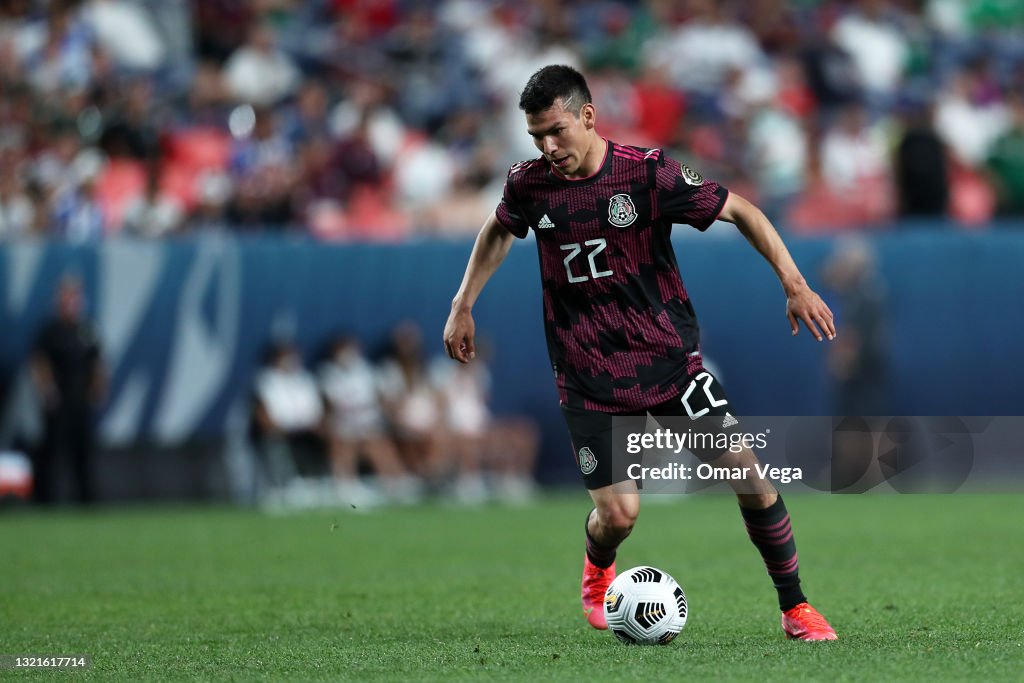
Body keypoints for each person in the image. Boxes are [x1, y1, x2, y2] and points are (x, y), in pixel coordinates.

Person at [443, 65, 838, 641]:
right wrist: (463, 303)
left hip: (669, 362)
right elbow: (500, 230)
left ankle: (796, 608)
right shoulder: (528, 184)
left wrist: (794, 282)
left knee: (749, 476)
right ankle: (598, 569)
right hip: (587, 373)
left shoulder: (648, 175)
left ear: (587, 116)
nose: (548, 148)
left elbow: (743, 211)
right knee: (619, 515)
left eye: (556, 131)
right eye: (536, 138)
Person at [30, 275, 106, 504]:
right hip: (58, 401)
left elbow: (98, 362)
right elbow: (39, 362)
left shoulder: (87, 329)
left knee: (82, 454)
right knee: (51, 453)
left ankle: (86, 500)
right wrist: (47, 389)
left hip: (80, 400)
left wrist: (97, 389)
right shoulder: (50, 331)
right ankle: (45, 500)